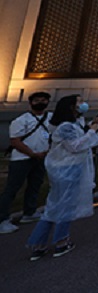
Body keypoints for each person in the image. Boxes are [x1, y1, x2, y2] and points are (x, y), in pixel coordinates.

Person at [27, 95, 98, 260]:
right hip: (66, 170)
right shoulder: (64, 127)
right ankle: (61, 241)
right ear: (70, 107)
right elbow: (75, 146)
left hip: (68, 168)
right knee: (64, 206)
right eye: (79, 102)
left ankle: (39, 245)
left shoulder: (73, 124)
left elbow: (84, 139)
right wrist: (91, 132)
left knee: (54, 206)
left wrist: (91, 128)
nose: (82, 104)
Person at [0, 92, 52, 234]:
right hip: (22, 159)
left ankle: (30, 212)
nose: (40, 102)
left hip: (40, 158)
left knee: (35, 186)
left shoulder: (51, 118)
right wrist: (32, 153)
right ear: (30, 103)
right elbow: (15, 141)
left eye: (43, 100)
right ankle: (2, 219)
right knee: (12, 188)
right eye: (37, 100)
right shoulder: (21, 120)